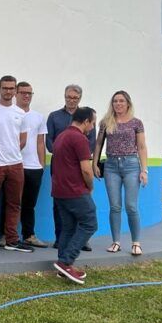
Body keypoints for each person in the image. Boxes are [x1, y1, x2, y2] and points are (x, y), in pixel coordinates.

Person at [0, 75, 33, 253]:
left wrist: (12, 153)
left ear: (15, 90)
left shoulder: (20, 113)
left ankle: (12, 240)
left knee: (14, 204)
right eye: (5, 88)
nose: (8, 91)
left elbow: (23, 140)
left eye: (11, 88)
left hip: (16, 165)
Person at [94, 90, 148, 257]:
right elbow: (98, 145)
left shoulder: (136, 123)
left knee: (131, 206)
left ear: (128, 103)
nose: (118, 104)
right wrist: (94, 163)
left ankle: (136, 243)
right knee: (115, 206)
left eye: (121, 101)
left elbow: (141, 147)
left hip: (131, 165)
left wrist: (144, 170)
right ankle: (116, 241)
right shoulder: (106, 122)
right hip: (111, 166)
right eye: (115, 101)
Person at [46, 84, 96, 251]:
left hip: (80, 164)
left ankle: (80, 241)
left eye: (75, 98)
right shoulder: (54, 117)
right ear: (64, 96)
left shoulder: (87, 117)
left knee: (79, 201)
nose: (71, 100)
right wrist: (63, 153)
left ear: (79, 99)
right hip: (60, 165)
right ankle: (60, 239)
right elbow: (49, 141)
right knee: (60, 203)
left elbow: (91, 143)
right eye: (69, 97)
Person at [52, 107, 98, 284]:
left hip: (59, 191)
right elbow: (86, 170)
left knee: (68, 227)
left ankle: (63, 268)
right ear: (86, 121)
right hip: (75, 191)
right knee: (90, 223)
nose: (92, 127)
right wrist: (90, 186)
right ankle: (66, 262)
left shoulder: (61, 136)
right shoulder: (79, 139)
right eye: (92, 123)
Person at [15, 81, 49, 248]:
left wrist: (41, 165)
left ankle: (28, 235)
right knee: (12, 201)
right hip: (14, 165)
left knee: (29, 204)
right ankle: (6, 235)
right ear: (16, 94)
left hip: (34, 168)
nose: (26, 95)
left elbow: (40, 142)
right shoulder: (11, 114)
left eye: (29, 93)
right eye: (23, 92)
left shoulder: (38, 117)